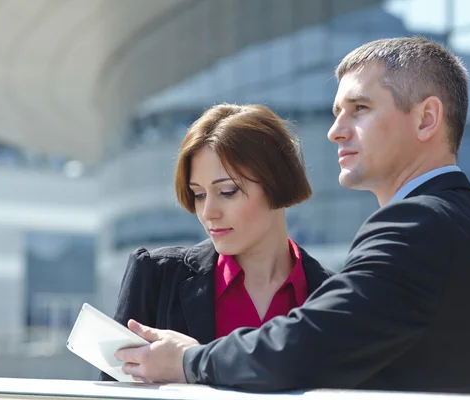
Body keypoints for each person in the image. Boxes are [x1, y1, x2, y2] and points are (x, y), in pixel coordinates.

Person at [113, 37, 470, 394]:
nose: (335, 131)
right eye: (336, 112)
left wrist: (189, 361)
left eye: (359, 108)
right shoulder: (465, 228)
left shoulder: (419, 224)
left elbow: (306, 346)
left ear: (426, 118)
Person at [100, 103, 334, 381]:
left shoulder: (332, 297)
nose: (208, 212)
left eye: (227, 191)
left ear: (277, 181)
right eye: (198, 195)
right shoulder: (157, 276)